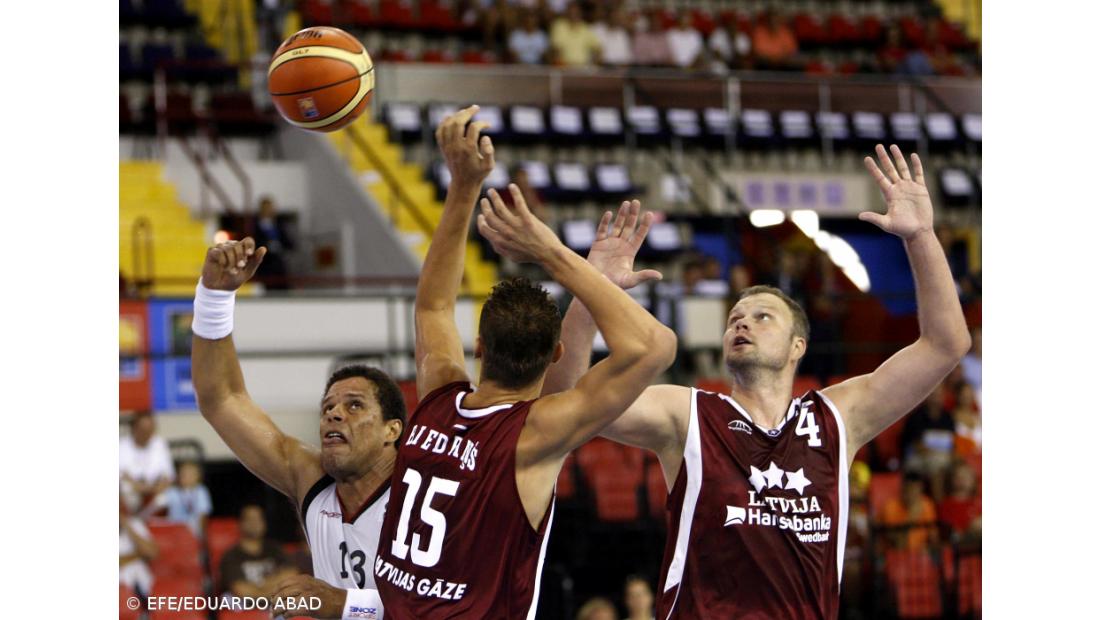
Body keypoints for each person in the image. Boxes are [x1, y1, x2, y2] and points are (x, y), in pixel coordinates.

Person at [521, 144, 971, 617]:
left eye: (762, 317)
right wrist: (593, 288)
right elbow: (563, 398)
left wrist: (921, 236)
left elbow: (946, 344)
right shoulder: (689, 415)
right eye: (735, 317)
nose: (742, 323)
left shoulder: (838, 417)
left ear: (799, 346)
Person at [373, 105, 676, 617]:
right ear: (555, 353)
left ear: (478, 346)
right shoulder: (534, 435)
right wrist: (556, 253)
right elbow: (655, 346)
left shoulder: (436, 398)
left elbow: (432, 305)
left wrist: (464, 186)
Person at [191, 240, 408, 616]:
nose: (334, 414)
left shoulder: (423, 496)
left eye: (354, 405)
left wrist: (346, 605)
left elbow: (457, 604)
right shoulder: (311, 479)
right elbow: (221, 399)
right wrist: (214, 297)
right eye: (328, 407)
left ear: (392, 430)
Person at [219, 505, 298, 597]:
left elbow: (292, 575)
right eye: (250, 519)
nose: (255, 523)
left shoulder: (275, 549)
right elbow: (242, 591)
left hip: (276, 604)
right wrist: (275, 585)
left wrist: (258, 586)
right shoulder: (231, 556)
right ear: (241, 523)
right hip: (246, 607)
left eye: (259, 518)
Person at [120, 411, 176, 515]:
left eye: (150, 429)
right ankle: (133, 525)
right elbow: (123, 476)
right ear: (134, 428)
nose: (147, 433)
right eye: (143, 429)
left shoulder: (159, 443)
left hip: (155, 489)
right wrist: (142, 488)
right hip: (133, 490)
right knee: (127, 493)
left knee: (166, 498)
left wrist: (157, 487)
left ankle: (145, 524)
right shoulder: (122, 446)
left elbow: (169, 475)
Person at [879, 472, 938, 551]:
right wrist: (912, 516)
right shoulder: (890, 507)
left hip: (920, 557)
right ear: (903, 489)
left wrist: (927, 548)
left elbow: (934, 541)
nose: (912, 494)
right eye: (909, 489)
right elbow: (899, 545)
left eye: (916, 490)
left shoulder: (927, 505)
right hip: (896, 556)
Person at [251, 196, 296, 290]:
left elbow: (288, 242)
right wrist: (268, 246)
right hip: (264, 266)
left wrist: (282, 247)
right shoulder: (254, 226)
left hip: (279, 265)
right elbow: (254, 243)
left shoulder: (279, 224)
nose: (269, 210)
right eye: (266, 208)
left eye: (271, 207)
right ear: (261, 209)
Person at [119, 492, 158, 598]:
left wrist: (126, 525)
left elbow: (152, 553)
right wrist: (138, 555)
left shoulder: (134, 524)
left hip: (141, 589)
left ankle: (144, 610)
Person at [163, 460, 213, 537]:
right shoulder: (172, 491)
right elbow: (158, 506)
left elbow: (203, 514)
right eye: (183, 474)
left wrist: (200, 534)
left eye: (190, 474)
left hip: (194, 531)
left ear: (198, 476)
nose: (186, 477)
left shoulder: (201, 491)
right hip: (174, 530)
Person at [550, 2, 601, 67]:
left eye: (576, 13)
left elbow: (598, 49)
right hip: (564, 68)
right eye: (571, 12)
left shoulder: (585, 28)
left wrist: (594, 64)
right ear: (567, 13)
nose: (573, 15)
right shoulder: (559, 26)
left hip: (583, 69)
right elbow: (556, 49)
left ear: (580, 14)